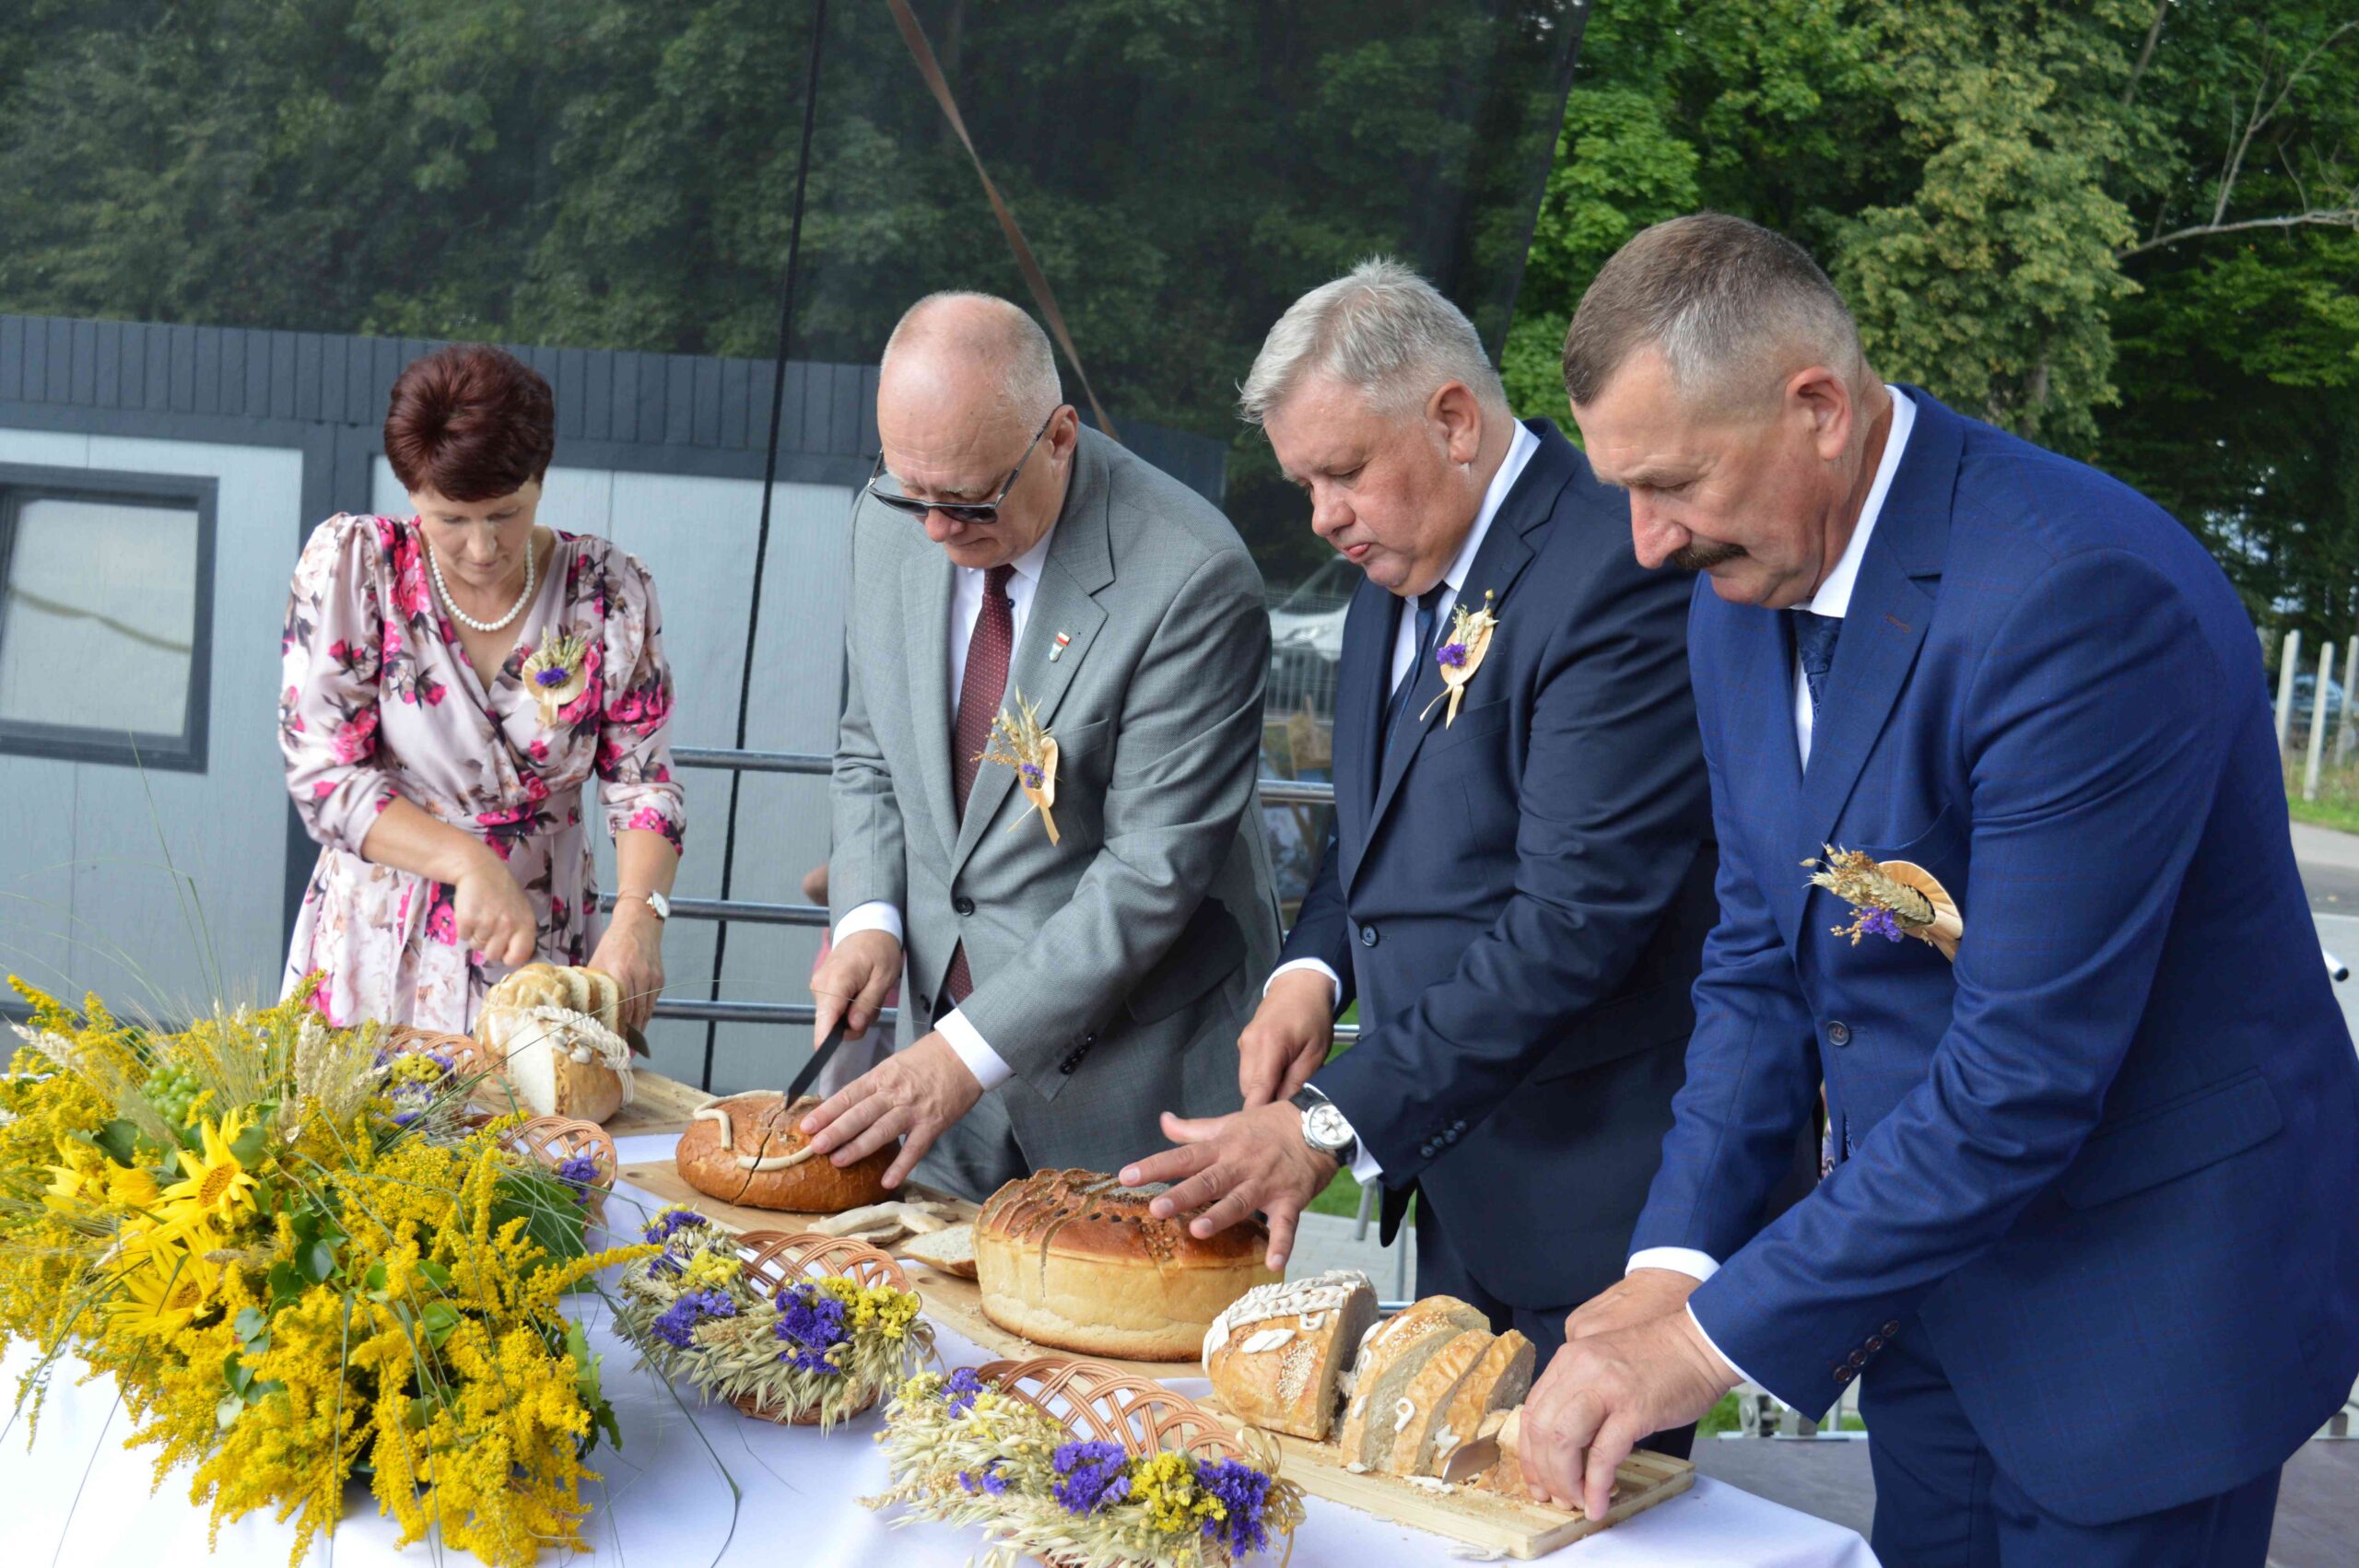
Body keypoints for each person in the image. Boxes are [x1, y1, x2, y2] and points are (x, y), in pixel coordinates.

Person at [1520, 213, 2359, 1564]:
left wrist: (1705, 1341)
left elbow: (2026, 1069)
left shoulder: (2078, 598)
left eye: (1670, 482)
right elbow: (1758, 959)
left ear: (1817, 409)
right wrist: (1673, 1265)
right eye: (1623, 487)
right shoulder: (1733, 597)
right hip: (1929, 1298)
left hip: (2144, 1313)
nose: (1644, 542)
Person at [1116, 261, 1721, 1426]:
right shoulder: (1395, 567)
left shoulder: (1613, 568)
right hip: (1460, 1173)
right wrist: (1312, 968)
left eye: (1343, 471)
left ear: (1452, 420)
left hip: (1590, 1197)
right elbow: (1377, 820)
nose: (1322, 516)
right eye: (1305, 483)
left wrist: (1326, 1121)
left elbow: (1573, 918)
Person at [801, 293, 1281, 1200]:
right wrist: (869, 920)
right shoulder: (886, 518)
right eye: (911, 492)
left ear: (1059, 436)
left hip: (1138, 1090)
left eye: (969, 503)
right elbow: (871, 747)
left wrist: (962, 1054)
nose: (934, 530)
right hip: (939, 1067)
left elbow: (1150, 874)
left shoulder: (1193, 576)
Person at [280, 344, 685, 1032]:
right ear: (412, 494)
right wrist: (467, 862)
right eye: (450, 519)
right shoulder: (358, 569)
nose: (481, 548)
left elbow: (644, 785)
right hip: (377, 946)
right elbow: (324, 776)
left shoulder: (608, 590)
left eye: (504, 514)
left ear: (540, 480)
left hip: (546, 944)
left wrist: (639, 918)